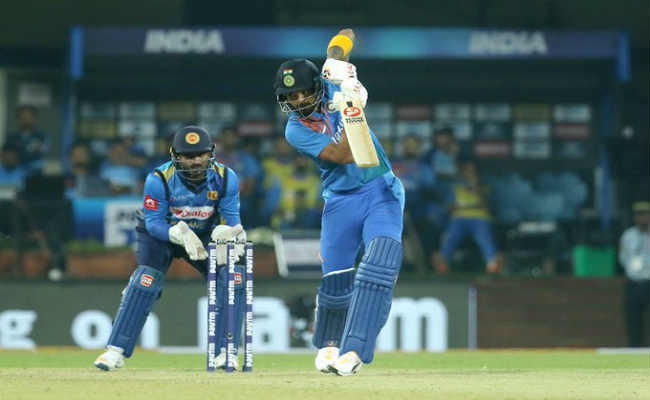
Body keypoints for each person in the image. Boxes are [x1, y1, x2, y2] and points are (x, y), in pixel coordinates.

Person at [273, 28, 404, 376]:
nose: (299, 100)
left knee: (379, 265)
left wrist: (345, 73)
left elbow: (343, 38)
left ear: (317, 85)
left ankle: (356, 348)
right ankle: (329, 344)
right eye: (291, 96)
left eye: (304, 91)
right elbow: (345, 155)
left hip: (380, 190)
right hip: (340, 201)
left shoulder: (333, 83)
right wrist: (352, 107)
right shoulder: (295, 130)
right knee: (336, 281)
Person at [94, 126, 247, 371]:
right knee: (146, 281)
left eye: (201, 154)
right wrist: (174, 233)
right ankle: (115, 351)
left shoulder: (227, 177)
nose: (196, 161)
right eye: (188, 156)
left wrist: (228, 232)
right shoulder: (159, 179)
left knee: (232, 278)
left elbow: (232, 218)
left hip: (202, 236)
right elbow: (154, 223)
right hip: (162, 234)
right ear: (175, 155)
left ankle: (225, 352)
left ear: (211, 153)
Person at [433, 159, 503, 274]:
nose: (470, 175)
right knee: (451, 236)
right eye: (467, 172)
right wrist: (462, 206)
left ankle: (492, 263)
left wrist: (477, 190)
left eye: (473, 172)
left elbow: (489, 206)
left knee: (484, 238)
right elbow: (449, 208)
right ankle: (443, 261)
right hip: (459, 218)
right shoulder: (456, 189)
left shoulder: (486, 188)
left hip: (480, 218)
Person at [618, 201, 650, 347]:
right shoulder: (628, 236)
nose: (642, 218)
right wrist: (633, 270)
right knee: (633, 320)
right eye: (639, 215)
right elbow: (623, 257)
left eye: (645, 214)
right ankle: (635, 350)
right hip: (634, 282)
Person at [5, 105, 49, 173]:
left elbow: (41, 151)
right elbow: (7, 154)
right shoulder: (11, 137)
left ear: (34, 118)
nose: (26, 120)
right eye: (23, 117)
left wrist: (21, 152)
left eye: (29, 117)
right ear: (18, 119)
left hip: (36, 172)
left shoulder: (41, 136)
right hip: (16, 172)